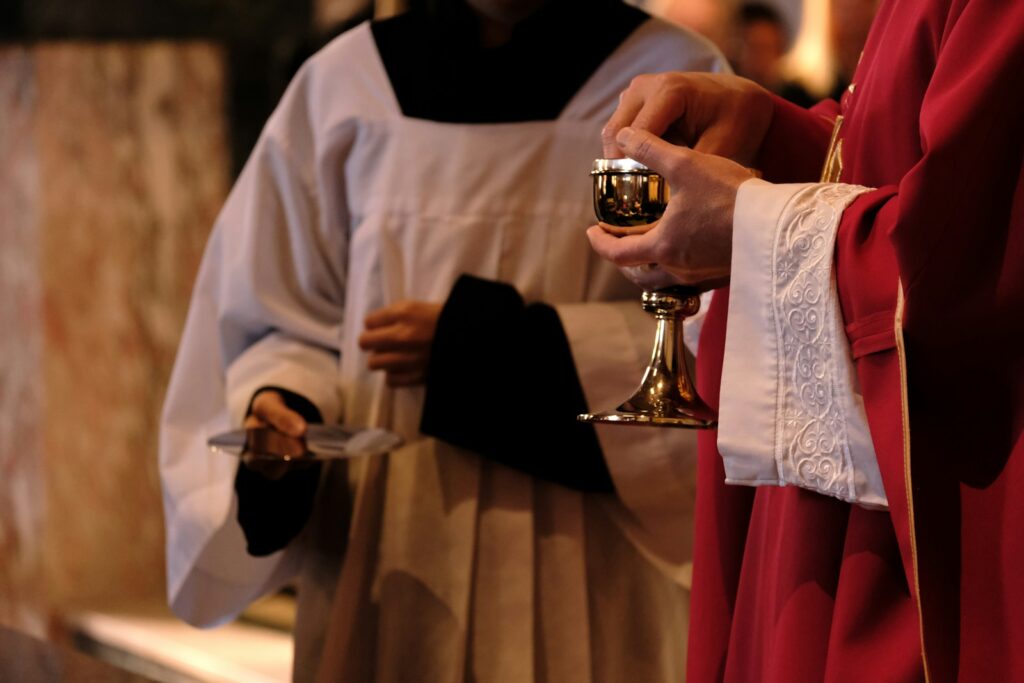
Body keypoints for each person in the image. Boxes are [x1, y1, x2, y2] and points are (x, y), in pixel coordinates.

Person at [160, 1, 729, 681]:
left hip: (596, 573)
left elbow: (720, 339)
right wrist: (283, 407)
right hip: (387, 560)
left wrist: (490, 351)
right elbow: (278, 317)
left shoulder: (675, 83)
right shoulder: (345, 86)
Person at [589, 0, 1024, 680]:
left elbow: (975, 257)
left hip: (924, 522)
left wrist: (757, 221)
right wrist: (773, 138)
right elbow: (887, 152)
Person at [729, 2, 815, 108]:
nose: (760, 59)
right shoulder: (730, 97)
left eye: (766, 48)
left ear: (780, 50)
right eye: (753, 48)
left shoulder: (799, 100)